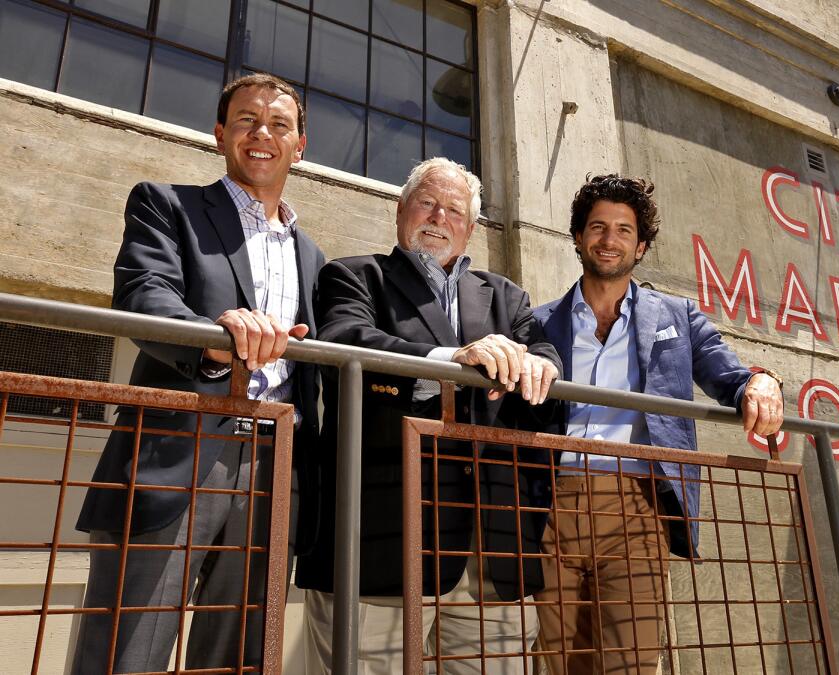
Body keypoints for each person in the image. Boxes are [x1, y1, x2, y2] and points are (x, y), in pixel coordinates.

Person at [72, 73, 325, 672]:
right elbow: (142, 295)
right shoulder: (167, 205)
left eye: (279, 124)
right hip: (177, 457)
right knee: (123, 656)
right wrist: (216, 341)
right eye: (246, 121)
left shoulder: (313, 257)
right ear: (220, 135)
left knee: (237, 659)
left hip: (272, 470)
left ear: (300, 145)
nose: (262, 133)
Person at [295, 157, 561, 674]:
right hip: (383, 546)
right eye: (427, 203)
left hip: (492, 556)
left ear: (472, 227)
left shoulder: (507, 296)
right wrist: (449, 362)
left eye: (455, 210)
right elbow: (346, 340)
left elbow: (546, 359)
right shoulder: (353, 276)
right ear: (401, 210)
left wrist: (538, 362)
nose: (439, 217)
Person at [532, 174, 785, 674]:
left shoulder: (677, 315)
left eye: (624, 230)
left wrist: (763, 383)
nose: (609, 239)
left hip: (636, 503)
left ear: (641, 245)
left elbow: (728, 374)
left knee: (631, 660)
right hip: (549, 502)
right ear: (579, 237)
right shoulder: (539, 321)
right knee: (556, 660)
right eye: (598, 227)